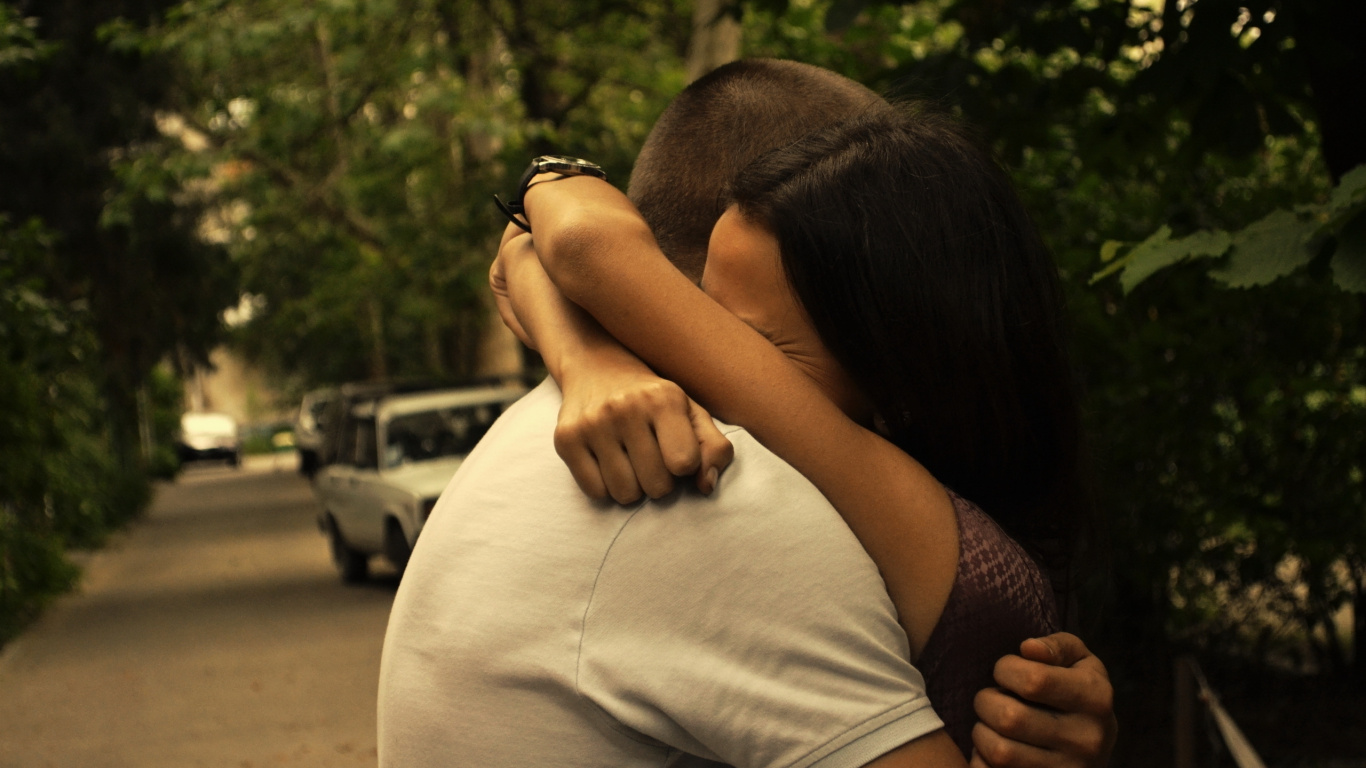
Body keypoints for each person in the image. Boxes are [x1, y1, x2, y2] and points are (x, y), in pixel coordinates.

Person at [377, 59, 1114, 768]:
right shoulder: (712, 487)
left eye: (741, 340)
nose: (704, 356)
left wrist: (582, 340)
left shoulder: (716, 471)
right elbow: (550, 253)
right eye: (700, 318)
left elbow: (555, 249)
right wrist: (589, 355)